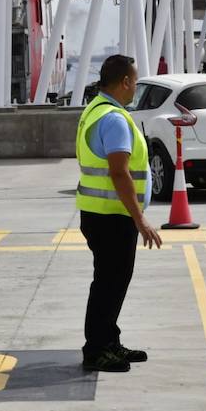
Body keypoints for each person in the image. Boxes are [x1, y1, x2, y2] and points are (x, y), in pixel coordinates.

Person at [75, 54, 163, 373]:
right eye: (135, 82)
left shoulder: (96, 109)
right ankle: (96, 350)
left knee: (112, 282)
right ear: (125, 81)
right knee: (109, 284)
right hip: (112, 218)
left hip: (99, 214)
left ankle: (109, 341)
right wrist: (140, 220)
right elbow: (119, 173)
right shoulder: (113, 118)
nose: (135, 88)